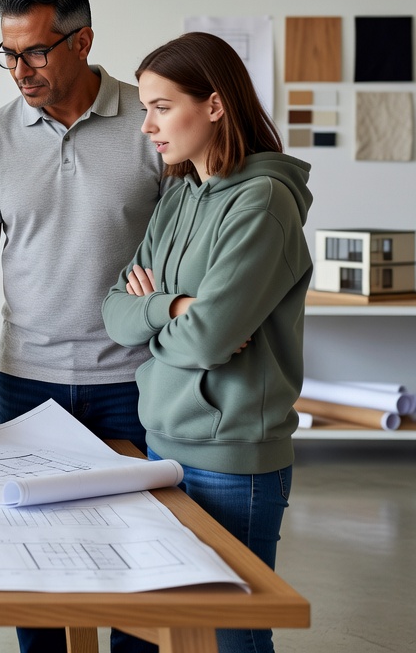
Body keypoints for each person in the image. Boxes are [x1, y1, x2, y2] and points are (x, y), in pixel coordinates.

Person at [0, 0, 162, 653]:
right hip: (29, 377)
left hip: (137, 378)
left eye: (36, 52)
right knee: (35, 558)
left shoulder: (149, 120)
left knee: (136, 553)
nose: (20, 70)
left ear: (83, 41)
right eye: (9, 53)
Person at [103, 32, 311, 653]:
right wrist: (172, 306)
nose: (147, 126)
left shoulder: (264, 202)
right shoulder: (178, 195)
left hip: (233, 459)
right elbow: (114, 313)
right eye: (145, 108)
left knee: (231, 643)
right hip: (162, 450)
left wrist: (175, 322)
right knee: (180, 638)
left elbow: (207, 341)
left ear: (214, 106)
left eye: (162, 107)